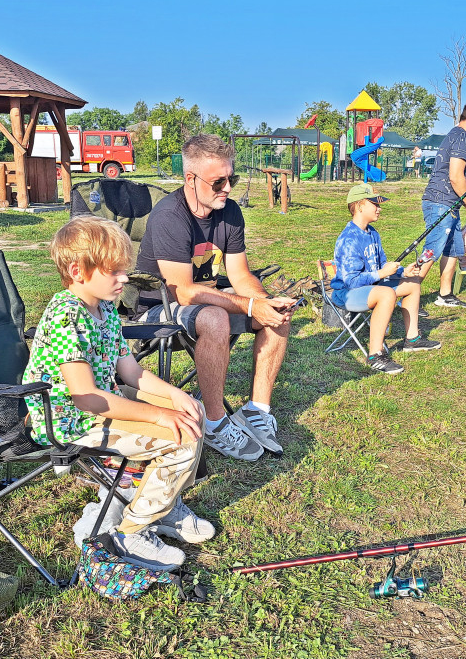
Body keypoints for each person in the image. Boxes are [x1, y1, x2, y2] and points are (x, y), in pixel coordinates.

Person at [23, 216, 211, 571]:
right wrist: (159, 415)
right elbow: (86, 397)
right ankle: (131, 533)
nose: (125, 279)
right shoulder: (66, 317)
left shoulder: (104, 307)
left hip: (99, 407)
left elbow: (131, 371)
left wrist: (174, 397)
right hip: (71, 421)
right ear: (78, 271)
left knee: (191, 411)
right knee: (181, 437)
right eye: (114, 271)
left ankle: (164, 507)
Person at [135, 134, 294, 462]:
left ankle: (256, 411)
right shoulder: (170, 216)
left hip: (206, 300)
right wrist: (249, 306)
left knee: (276, 311)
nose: (228, 188)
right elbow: (183, 290)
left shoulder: (230, 212)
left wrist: (264, 303)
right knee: (216, 316)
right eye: (218, 181)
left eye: (231, 178)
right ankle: (215, 422)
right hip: (157, 309)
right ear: (190, 179)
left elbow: (241, 276)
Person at [331, 184, 442, 374]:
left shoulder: (373, 233)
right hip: (346, 294)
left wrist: (402, 273)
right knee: (387, 294)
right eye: (374, 203)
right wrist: (382, 275)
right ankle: (375, 354)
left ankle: (412, 339)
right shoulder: (349, 238)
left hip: (372, 286)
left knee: (413, 284)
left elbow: (382, 267)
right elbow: (351, 281)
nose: (379, 208)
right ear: (359, 206)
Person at [420, 100, 466, 308]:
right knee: (433, 249)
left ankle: (445, 294)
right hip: (441, 202)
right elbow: (456, 176)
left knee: (452, 249)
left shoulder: (457, 135)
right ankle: (408, 295)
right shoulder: (462, 138)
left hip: (450, 204)